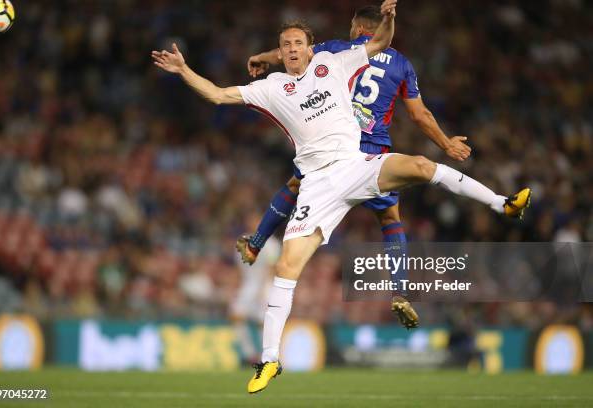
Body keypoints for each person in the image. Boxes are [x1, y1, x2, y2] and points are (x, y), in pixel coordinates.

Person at [152, 0, 530, 393]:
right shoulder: (270, 88)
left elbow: (381, 41)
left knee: (419, 165)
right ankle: (268, 361)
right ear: (279, 52)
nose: (293, 48)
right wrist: (183, 70)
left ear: (310, 46)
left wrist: (389, 18)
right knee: (286, 269)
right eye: (286, 44)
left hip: (357, 164)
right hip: (318, 184)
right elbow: (216, 95)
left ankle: (502, 203)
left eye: (298, 41)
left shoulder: (334, 62)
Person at [237, 5, 472, 329]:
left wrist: (264, 56)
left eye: (351, 25)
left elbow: (293, 54)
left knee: (295, 186)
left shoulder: (336, 49)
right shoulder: (402, 63)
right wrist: (446, 144)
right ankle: (400, 291)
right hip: (374, 149)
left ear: (360, 26)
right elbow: (420, 116)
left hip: (336, 143)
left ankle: (256, 244)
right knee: (390, 218)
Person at [230, 214, 281, 365]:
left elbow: (271, 268)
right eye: (251, 220)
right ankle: (248, 354)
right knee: (236, 316)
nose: (253, 222)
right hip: (248, 284)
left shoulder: (271, 243)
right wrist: (236, 287)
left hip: (265, 284)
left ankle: (266, 356)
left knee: (262, 321)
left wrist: (264, 289)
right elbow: (239, 268)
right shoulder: (243, 240)